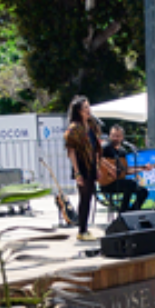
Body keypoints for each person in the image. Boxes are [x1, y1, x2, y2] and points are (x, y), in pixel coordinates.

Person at [63, 95, 100, 240]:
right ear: (78, 111)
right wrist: (77, 173)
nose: (88, 110)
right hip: (81, 166)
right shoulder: (74, 129)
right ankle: (82, 230)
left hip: (91, 165)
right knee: (84, 198)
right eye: (85, 107)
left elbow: (95, 148)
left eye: (88, 107)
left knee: (89, 198)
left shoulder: (91, 126)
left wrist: (96, 167)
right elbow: (71, 151)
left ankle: (84, 228)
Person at [100, 125, 148, 213]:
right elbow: (97, 159)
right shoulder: (105, 148)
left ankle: (132, 212)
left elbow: (124, 171)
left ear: (122, 137)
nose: (115, 138)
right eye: (113, 135)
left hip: (119, 182)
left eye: (117, 136)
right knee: (129, 184)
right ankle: (123, 212)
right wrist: (110, 168)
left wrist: (143, 168)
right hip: (106, 183)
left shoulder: (122, 151)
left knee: (143, 191)